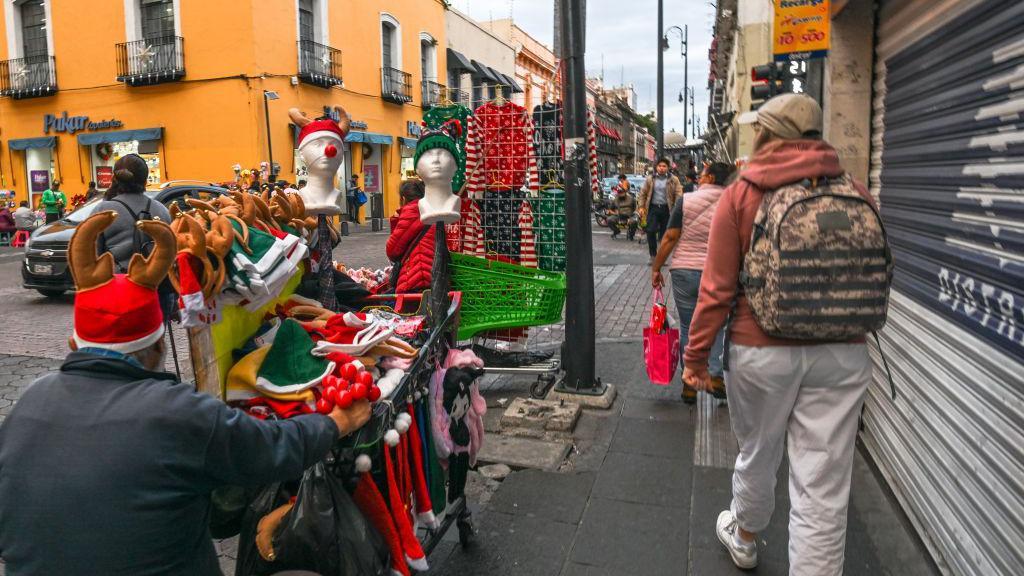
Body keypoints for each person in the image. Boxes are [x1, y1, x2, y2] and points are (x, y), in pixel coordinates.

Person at [0, 213, 372, 575]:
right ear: (160, 345)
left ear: (72, 344)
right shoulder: (179, 413)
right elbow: (275, 448)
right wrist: (336, 421)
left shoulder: (30, 401)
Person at [683, 93, 876, 573]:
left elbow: (716, 290)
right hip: (842, 351)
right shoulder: (853, 189)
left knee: (758, 450)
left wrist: (695, 359)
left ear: (767, 135)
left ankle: (745, 535)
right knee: (823, 485)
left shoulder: (743, 193)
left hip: (760, 347)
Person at [651, 162, 733, 403]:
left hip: (685, 271)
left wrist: (657, 267)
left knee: (688, 326)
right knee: (718, 324)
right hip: (719, 272)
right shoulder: (734, 203)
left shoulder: (686, 201)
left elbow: (670, 237)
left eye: (702, 174)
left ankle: (689, 383)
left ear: (708, 177)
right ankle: (716, 377)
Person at [96, 154, 172, 271]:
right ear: (145, 181)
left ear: (114, 178)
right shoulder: (162, 210)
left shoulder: (102, 211)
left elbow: (92, 257)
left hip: (116, 284)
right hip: (154, 284)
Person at [386, 179, 433, 293]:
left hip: (416, 276)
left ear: (403, 198)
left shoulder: (412, 211)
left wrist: (395, 220)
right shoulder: (431, 209)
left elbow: (392, 251)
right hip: (432, 273)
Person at [638, 158, 682, 262]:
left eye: (664, 166)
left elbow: (679, 193)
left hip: (667, 209)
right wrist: (641, 206)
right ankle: (653, 255)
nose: (661, 168)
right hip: (653, 208)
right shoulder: (650, 179)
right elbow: (643, 193)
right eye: (660, 166)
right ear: (656, 167)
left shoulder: (673, 179)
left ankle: (662, 257)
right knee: (650, 230)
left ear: (668, 168)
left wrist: (677, 207)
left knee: (664, 234)